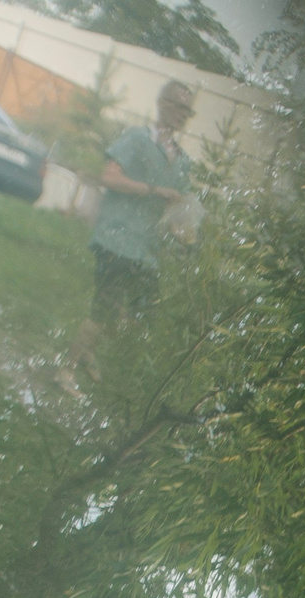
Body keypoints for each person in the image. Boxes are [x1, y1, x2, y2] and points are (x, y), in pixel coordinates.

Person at [67, 79, 197, 377]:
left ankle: (88, 350)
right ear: (162, 104)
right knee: (103, 311)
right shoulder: (137, 139)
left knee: (142, 315)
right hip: (117, 239)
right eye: (179, 107)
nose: (182, 115)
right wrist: (153, 190)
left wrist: (184, 229)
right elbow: (109, 178)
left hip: (146, 250)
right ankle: (66, 370)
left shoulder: (182, 160)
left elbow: (174, 206)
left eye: (188, 111)